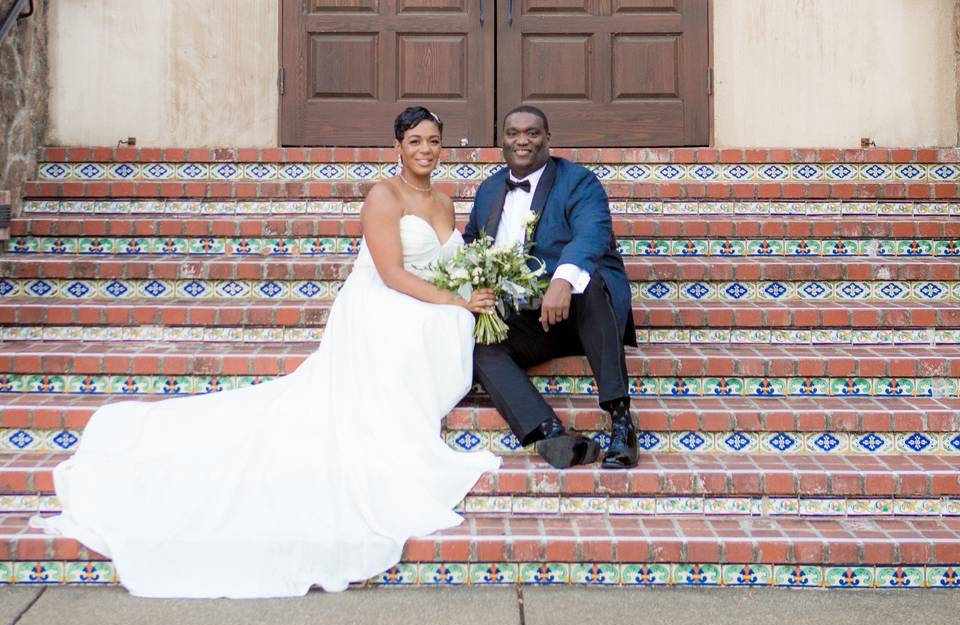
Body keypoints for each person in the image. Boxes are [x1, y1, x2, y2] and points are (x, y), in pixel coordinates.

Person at [30, 107, 501, 599]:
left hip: (429, 298)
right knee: (425, 325)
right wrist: (455, 300)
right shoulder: (382, 197)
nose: (425, 150)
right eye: (415, 141)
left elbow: (448, 263)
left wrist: (470, 293)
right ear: (398, 147)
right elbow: (392, 274)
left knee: (445, 322)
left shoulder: (446, 203)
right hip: (383, 301)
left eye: (433, 141)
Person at [465, 105, 639, 470]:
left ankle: (621, 421)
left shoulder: (578, 181)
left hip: (584, 315)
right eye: (513, 133)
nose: (522, 140)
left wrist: (562, 279)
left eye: (532, 132)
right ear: (502, 140)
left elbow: (592, 233)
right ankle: (549, 432)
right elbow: (470, 244)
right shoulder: (489, 189)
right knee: (483, 348)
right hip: (530, 319)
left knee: (587, 284)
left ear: (548, 139)